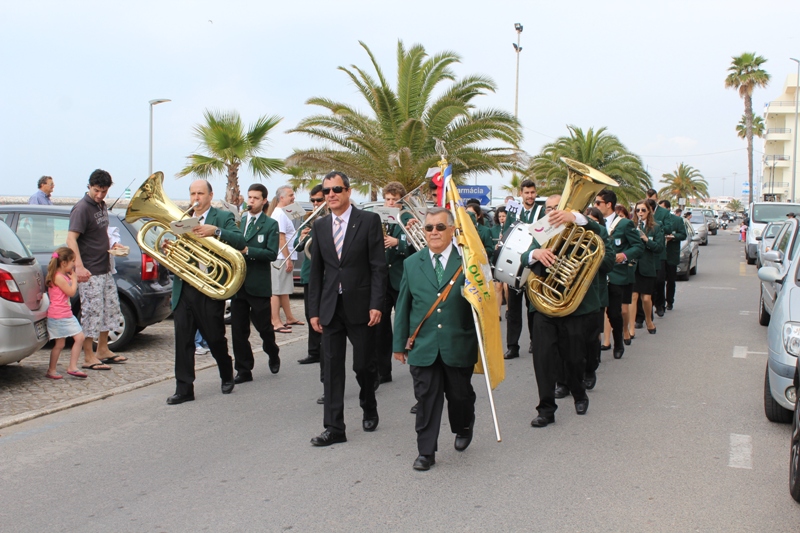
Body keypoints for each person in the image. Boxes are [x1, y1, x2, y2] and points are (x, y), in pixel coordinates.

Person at [392, 207, 477, 471]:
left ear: (452, 230)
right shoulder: (411, 263)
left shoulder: (469, 260)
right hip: (423, 345)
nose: (434, 232)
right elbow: (403, 306)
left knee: (460, 396)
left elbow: (484, 304)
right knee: (426, 399)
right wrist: (398, 344)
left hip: (458, 343)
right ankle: (425, 451)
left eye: (440, 227)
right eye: (429, 228)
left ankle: (464, 425)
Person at [308, 171, 387, 446]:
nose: (331, 194)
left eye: (336, 189)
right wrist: (313, 311)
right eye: (326, 191)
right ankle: (334, 428)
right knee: (331, 368)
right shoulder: (320, 226)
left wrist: (376, 303)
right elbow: (316, 272)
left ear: (348, 191)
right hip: (331, 307)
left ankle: (369, 404)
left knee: (363, 366)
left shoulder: (368, 221)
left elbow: (378, 267)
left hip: (362, 306)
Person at [522, 195, 614, 427]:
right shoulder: (542, 230)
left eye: (558, 208)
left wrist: (578, 219)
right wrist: (535, 254)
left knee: (574, 359)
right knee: (543, 359)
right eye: (549, 209)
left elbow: (609, 260)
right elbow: (524, 255)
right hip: (544, 305)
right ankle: (546, 409)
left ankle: (579, 393)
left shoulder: (589, 230)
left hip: (576, 307)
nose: (553, 212)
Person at [165, 180, 245, 404]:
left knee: (215, 337)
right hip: (185, 287)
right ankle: (184, 389)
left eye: (200, 193)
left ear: (210, 195)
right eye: (193, 193)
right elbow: (174, 249)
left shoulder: (222, 217)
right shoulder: (183, 219)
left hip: (209, 288)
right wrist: (167, 247)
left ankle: (226, 372)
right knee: (183, 341)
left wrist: (216, 231)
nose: (196, 198)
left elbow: (240, 240)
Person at [66, 169, 126, 371]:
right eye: (96, 190)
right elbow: (71, 239)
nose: (100, 195)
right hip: (90, 270)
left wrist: (114, 245)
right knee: (91, 313)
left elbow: (101, 233)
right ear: (89, 186)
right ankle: (88, 356)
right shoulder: (82, 208)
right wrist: (79, 266)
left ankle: (102, 349)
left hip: (105, 266)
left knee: (109, 309)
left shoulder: (101, 205)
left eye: (104, 191)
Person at [231, 183, 281, 384]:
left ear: (264, 201)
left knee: (264, 328)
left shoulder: (270, 224)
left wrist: (248, 251)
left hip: (258, 285)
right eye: (249, 197)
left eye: (255, 198)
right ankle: (243, 370)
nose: (251, 201)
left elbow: (271, 254)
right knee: (238, 331)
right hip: (238, 284)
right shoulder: (239, 222)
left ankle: (272, 351)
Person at [594, 190, 643, 360]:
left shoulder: (624, 224)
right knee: (596, 314)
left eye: (598, 203)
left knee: (615, 313)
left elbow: (638, 246)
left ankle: (618, 342)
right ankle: (595, 351)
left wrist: (624, 255)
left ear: (608, 204)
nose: (595, 206)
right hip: (598, 275)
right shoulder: (594, 223)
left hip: (616, 274)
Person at [375, 181, 410, 386]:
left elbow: (418, 245)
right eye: (387, 199)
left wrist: (399, 243)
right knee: (381, 328)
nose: (390, 203)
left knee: (405, 323)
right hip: (383, 280)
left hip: (402, 278)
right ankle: (383, 371)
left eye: (394, 200)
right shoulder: (380, 218)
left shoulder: (407, 218)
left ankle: (416, 365)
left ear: (401, 201)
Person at [503, 179, 541, 359]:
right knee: (513, 309)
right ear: (521, 194)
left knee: (533, 307)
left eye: (532, 192)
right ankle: (512, 346)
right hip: (514, 265)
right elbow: (506, 234)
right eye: (527, 193)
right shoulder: (513, 211)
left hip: (533, 266)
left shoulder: (541, 211)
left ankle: (535, 341)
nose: (530, 196)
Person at [44, 247, 87, 379]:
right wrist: (74, 279)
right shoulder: (58, 277)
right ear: (63, 263)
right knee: (79, 338)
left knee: (60, 344)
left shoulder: (60, 276)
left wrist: (73, 279)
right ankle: (71, 367)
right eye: (72, 261)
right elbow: (71, 292)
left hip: (60, 314)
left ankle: (52, 369)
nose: (74, 264)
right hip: (61, 314)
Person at [296, 185, 325, 367]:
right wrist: (302, 236)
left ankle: (325, 348)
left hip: (327, 273)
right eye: (313, 200)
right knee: (310, 313)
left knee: (326, 313)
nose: (315, 203)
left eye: (319, 200)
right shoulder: (308, 220)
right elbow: (298, 247)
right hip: (309, 272)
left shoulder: (331, 219)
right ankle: (313, 351)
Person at [269, 186, 303, 334]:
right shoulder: (279, 214)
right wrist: (287, 258)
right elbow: (280, 238)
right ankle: (275, 321)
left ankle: (289, 317)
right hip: (280, 258)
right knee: (276, 291)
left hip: (284, 256)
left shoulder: (283, 213)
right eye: (290, 195)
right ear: (281, 198)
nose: (293, 197)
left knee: (283, 290)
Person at [630, 200, 664, 335]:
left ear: (649, 211)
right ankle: (631, 328)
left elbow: (659, 248)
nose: (640, 213)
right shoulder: (631, 226)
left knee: (646, 298)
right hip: (633, 267)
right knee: (633, 297)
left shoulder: (656, 227)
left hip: (647, 266)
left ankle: (649, 321)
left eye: (643, 210)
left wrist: (646, 239)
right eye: (637, 210)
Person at [658, 200, 687, 311]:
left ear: (668, 209)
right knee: (659, 280)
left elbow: (683, 235)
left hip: (671, 254)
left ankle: (669, 301)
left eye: (662, 208)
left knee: (671, 279)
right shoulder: (656, 219)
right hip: (659, 255)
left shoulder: (677, 220)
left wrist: (673, 237)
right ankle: (659, 303)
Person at [491, 207, 507, 320]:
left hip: (508, 260)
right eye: (500, 216)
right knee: (498, 286)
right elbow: (489, 244)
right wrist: (494, 246)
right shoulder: (493, 229)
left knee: (507, 287)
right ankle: (498, 313)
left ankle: (508, 309)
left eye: (504, 216)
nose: (502, 218)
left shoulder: (511, 228)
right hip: (497, 260)